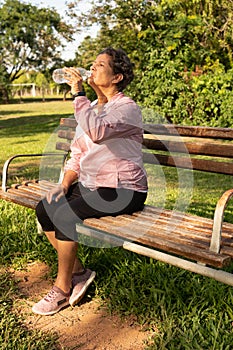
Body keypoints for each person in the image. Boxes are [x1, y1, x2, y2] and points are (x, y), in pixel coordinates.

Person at [33, 47, 148, 316]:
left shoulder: (127, 108)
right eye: (92, 64)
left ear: (117, 76)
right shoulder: (91, 109)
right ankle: (80, 273)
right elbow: (78, 152)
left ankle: (61, 289)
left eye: (100, 65)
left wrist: (78, 92)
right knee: (45, 208)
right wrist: (64, 183)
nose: (92, 68)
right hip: (92, 185)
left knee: (64, 214)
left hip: (124, 189)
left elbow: (97, 133)